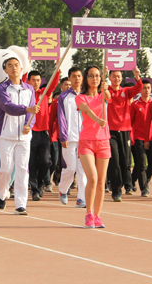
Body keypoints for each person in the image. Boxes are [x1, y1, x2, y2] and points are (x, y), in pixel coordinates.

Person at [0, 57, 38, 215]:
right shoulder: (2, 88)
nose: (14, 68)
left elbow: (33, 111)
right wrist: (26, 110)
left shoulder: (29, 89)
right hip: (6, 135)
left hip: (24, 137)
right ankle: (2, 194)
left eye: (16, 65)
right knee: (6, 170)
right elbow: (8, 107)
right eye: (10, 65)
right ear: (5, 70)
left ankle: (20, 205)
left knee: (22, 169)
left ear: (21, 69)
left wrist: (29, 125)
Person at [74, 65, 112, 228]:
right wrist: (97, 120)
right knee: (93, 178)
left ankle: (97, 216)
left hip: (103, 141)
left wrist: (106, 84)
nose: (95, 78)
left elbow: (108, 97)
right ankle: (88, 214)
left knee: (101, 181)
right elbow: (87, 110)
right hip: (87, 142)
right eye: (91, 76)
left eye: (97, 75)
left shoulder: (103, 94)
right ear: (86, 78)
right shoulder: (80, 97)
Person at [106, 66, 142, 202]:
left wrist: (137, 76)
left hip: (125, 130)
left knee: (125, 161)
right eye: (114, 76)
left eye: (119, 76)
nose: (117, 78)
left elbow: (138, 88)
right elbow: (100, 91)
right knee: (114, 160)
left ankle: (120, 183)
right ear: (109, 78)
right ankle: (116, 191)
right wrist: (103, 76)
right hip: (111, 131)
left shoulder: (126, 91)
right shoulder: (107, 91)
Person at [26, 67, 60, 201]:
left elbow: (54, 83)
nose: (36, 82)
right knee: (32, 163)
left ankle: (40, 184)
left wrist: (57, 69)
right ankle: (34, 190)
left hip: (44, 133)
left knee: (46, 162)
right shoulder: (25, 94)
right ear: (28, 81)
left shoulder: (45, 93)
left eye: (38, 80)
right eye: (33, 80)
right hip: (30, 132)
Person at [58, 68, 87, 208]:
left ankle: (81, 199)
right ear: (69, 78)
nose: (77, 79)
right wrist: (63, 136)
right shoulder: (64, 97)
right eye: (74, 76)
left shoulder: (86, 95)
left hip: (85, 138)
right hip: (69, 138)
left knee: (82, 170)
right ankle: (63, 189)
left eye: (79, 76)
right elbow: (61, 118)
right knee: (71, 168)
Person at [130, 80, 152, 197]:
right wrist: (131, 137)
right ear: (140, 90)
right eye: (144, 88)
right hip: (139, 138)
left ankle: (141, 179)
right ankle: (144, 188)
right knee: (141, 163)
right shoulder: (135, 105)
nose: (146, 90)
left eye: (148, 88)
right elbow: (130, 122)